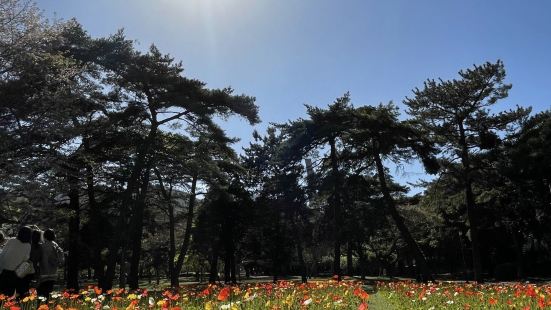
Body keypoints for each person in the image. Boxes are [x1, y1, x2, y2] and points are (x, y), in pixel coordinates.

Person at [0, 226, 32, 297]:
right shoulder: (28, 246)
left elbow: (3, 254)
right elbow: (25, 261)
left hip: (3, 271)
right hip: (14, 274)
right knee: (8, 296)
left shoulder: (12, 240)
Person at [37, 229, 63, 298]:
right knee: (49, 291)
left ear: (45, 236)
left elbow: (44, 259)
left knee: (41, 293)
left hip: (45, 273)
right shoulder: (55, 244)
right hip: (53, 272)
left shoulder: (43, 246)